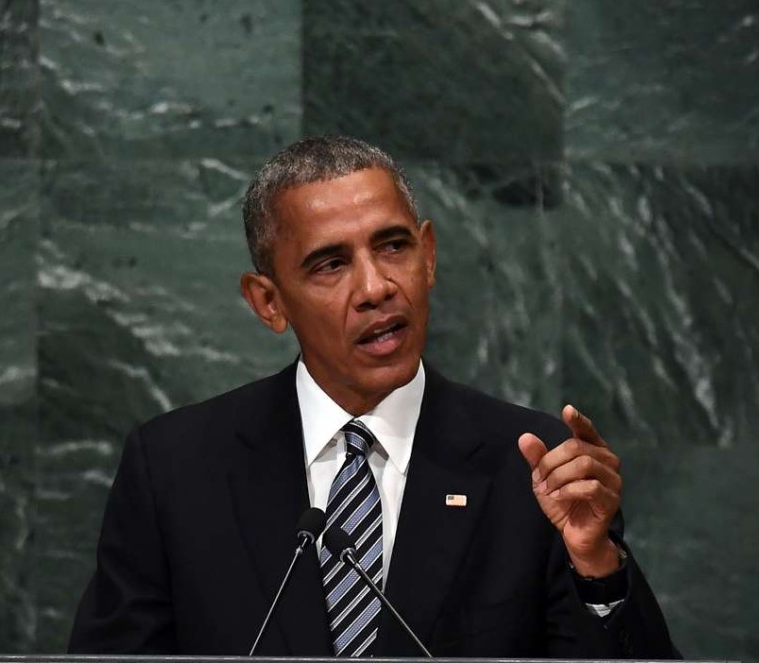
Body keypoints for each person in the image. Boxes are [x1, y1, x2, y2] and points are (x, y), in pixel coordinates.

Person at [68, 136, 678, 659]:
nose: (375, 287)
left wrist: (596, 564)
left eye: (393, 247)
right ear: (268, 302)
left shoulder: (535, 465)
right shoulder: (176, 468)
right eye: (330, 264)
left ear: (429, 255)